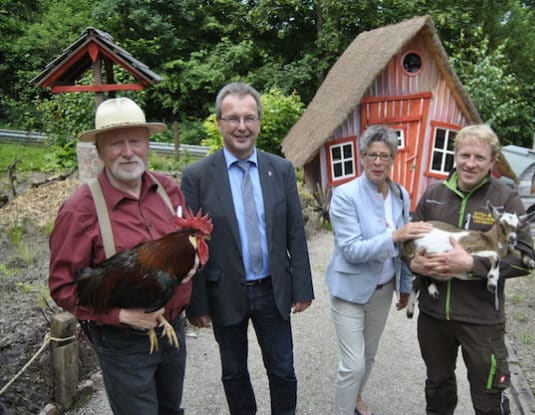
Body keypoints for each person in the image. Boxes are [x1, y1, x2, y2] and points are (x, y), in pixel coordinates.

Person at [49, 97, 192, 414]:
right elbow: (62, 287)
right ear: (99, 150)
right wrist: (120, 316)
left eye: (136, 141)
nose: (129, 152)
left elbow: (190, 245)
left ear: (147, 144)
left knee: (171, 409)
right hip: (124, 341)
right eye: (116, 144)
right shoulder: (79, 210)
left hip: (173, 330)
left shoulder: (169, 191)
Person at [180, 82, 314, 415]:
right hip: (223, 291)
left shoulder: (280, 169)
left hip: (272, 288)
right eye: (233, 118)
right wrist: (196, 303)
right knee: (234, 373)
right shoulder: (197, 176)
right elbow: (190, 244)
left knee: (283, 370)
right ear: (219, 123)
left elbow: (294, 232)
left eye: (249, 118)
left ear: (259, 122)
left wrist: (302, 286)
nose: (242, 126)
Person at [408, 124, 535, 415]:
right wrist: (412, 264)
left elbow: (526, 258)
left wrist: (473, 265)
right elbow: (408, 243)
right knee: (437, 387)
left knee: (488, 395)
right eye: (464, 155)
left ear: (492, 161)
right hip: (434, 317)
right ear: (455, 156)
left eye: (479, 157)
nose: (470, 163)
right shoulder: (433, 195)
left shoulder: (505, 200)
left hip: (481, 321)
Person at [325, 125, 432, 415]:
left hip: (383, 291)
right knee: (353, 364)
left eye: (385, 156)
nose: (378, 162)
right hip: (349, 291)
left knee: (369, 356)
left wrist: (406, 285)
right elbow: (352, 250)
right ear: (361, 157)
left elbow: (407, 245)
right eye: (372, 154)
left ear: (393, 159)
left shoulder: (400, 195)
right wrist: (394, 236)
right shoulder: (344, 195)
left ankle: (356, 396)